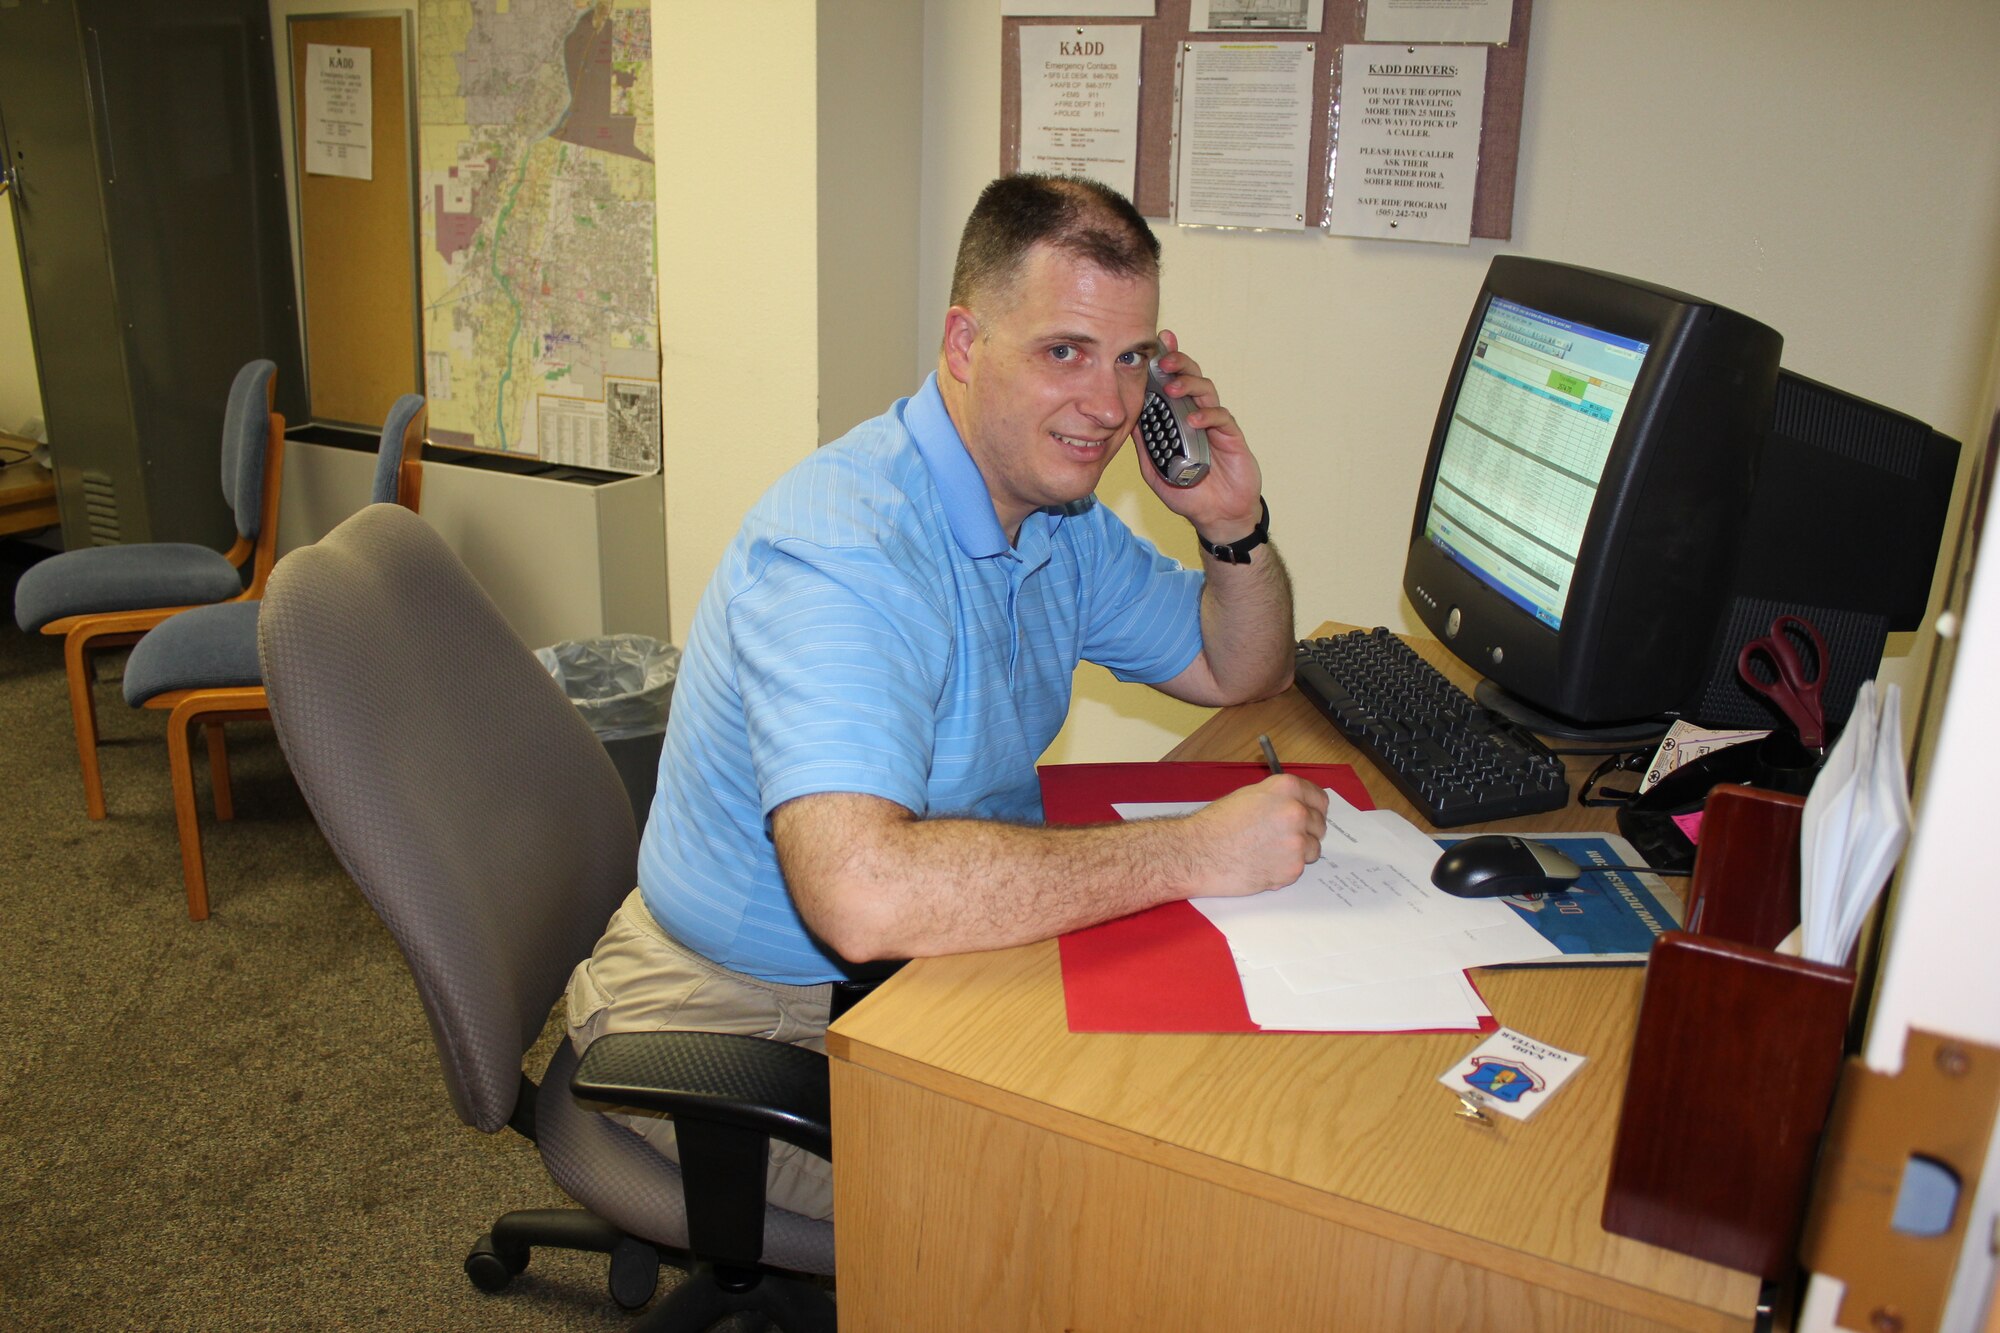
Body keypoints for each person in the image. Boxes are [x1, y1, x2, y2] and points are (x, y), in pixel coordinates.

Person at [564, 173, 1330, 1220]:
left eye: (1130, 360)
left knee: (1201, 1110)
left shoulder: (1052, 517)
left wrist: (1228, 523)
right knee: (1099, 1215)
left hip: (913, 974)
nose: (1107, 408)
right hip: (737, 1021)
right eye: (1063, 351)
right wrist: (1195, 849)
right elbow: (862, 894)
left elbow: (1242, 671)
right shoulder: (843, 548)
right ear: (965, 347)